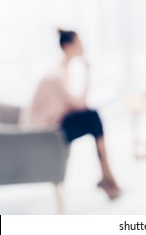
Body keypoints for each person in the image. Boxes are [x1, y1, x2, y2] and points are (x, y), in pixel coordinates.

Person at [20, 29, 121, 200]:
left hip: (52, 126)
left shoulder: (62, 72)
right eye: (79, 43)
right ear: (67, 46)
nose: (83, 47)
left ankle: (107, 177)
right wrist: (88, 73)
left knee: (92, 117)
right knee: (92, 117)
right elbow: (79, 105)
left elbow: (71, 106)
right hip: (44, 133)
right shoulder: (56, 76)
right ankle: (107, 177)